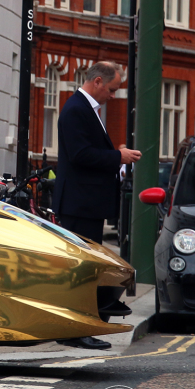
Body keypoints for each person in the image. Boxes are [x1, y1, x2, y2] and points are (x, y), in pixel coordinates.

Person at [52, 59, 140, 351]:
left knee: (85, 269)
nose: (113, 96)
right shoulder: (76, 109)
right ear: (98, 82)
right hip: (79, 204)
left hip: (85, 203)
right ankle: (75, 330)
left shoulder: (84, 108)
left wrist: (116, 153)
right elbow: (80, 155)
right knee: (80, 270)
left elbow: (88, 152)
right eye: (112, 90)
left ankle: (80, 326)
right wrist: (118, 158)